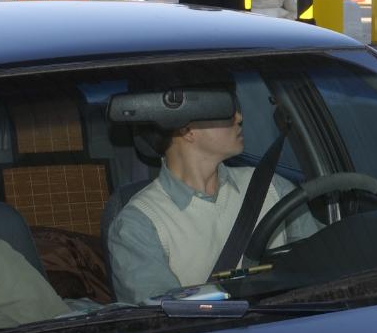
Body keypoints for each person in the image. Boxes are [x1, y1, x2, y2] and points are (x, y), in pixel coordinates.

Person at [107, 98, 319, 303]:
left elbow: (320, 271)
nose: (239, 117)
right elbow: (166, 323)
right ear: (186, 130)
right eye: (225, 109)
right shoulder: (139, 224)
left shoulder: (273, 187)